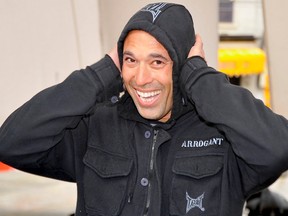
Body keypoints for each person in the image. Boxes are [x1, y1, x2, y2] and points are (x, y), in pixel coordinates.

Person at [0, 2, 288, 216]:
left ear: (182, 66)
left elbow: (279, 149)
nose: (140, 78)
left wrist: (200, 78)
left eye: (157, 61)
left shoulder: (223, 134)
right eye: (130, 59)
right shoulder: (96, 125)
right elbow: (11, 143)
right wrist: (101, 74)